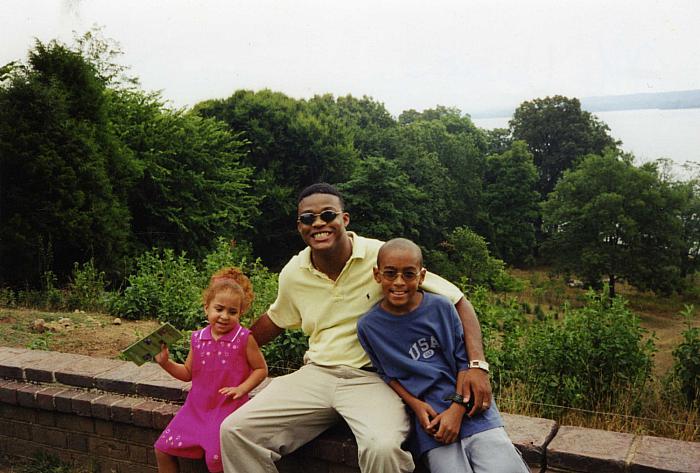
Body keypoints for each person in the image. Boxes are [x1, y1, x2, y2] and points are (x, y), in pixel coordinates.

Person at [220, 182, 492, 473]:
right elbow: (275, 319)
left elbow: (458, 300)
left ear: (344, 219)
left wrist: (476, 364)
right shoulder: (294, 273)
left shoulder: (382, 257)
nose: (319, 224)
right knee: (235, 431)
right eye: (308, 219)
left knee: (383, 448)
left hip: (374, 379)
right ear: (299, 226)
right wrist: (225, 351)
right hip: (317, 373)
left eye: (327, 215)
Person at [357, 238, 529, 472]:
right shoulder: (369, 326)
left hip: (471, 409)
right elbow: (387, 375)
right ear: (377, 275)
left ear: (422, 276)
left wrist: (457, 410)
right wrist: (416, 406)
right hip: (431, 423)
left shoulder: (440, 308)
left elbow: (463, 361)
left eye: (409, 274)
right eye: (390, 274)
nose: (399, 282)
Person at [153, 267, 268, 473]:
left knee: (215, 461)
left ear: (241, 312)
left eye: (232, 312)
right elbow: (188, 373)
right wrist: (165, 363)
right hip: (195, 410)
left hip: (227, 410)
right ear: (206, 308)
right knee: (162, 449)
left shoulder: (243, 338)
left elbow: (261, 369)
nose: (224, 316)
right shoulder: (197, 338)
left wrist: (242, 389)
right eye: (219, 309)